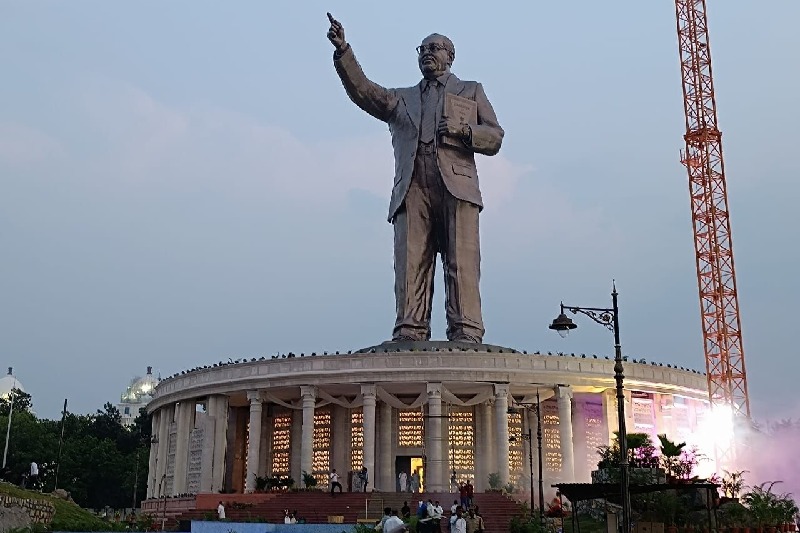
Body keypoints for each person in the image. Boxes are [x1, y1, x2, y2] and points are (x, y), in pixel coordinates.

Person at [327, 13, 504, 344]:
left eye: (435, 48)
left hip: (456, 184)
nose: (427, 53)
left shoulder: (470, 90)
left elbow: (495, 137)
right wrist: (343, 52)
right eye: (422, 48)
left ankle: (466, 329)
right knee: (411, 263)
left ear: (450, 57)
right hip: (413, 184)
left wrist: (464, 131)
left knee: (461, 262)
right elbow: (364, 91)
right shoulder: (401, 99)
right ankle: (410, 329)